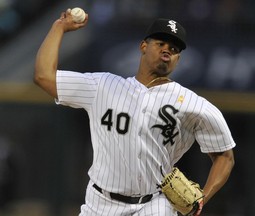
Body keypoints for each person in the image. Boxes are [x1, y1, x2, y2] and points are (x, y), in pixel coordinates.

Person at [34, 8, 235, 216]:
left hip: (155, 204)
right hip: (100, 203)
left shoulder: (192, 104)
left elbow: (224, 156)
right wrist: (58, 28)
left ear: (178, 59)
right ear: (143, 46)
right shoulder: (102, 86)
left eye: (174, 49)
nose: (167, 50)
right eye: (160, 44)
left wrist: (202, 198)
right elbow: (43, 76)